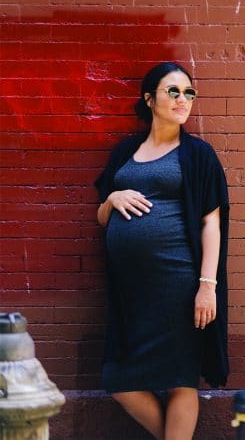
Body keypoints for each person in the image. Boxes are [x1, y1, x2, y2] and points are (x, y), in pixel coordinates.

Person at [95, 62, 229, 440]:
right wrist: (112, 198)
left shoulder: (197, 155)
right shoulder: (124, 152)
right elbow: (102, 215)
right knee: (119, 380)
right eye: (173, 91)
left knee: (180, 380)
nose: (182, 99)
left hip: (178, 284)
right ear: (150, 99)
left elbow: (211, 224)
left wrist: (207, 285)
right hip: (130, 291)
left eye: (189, 92)